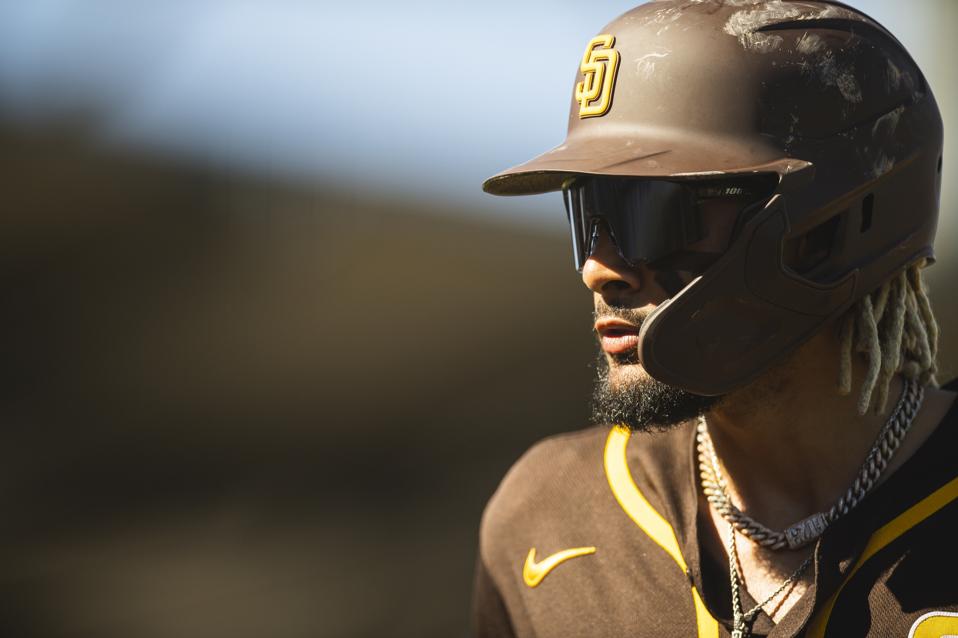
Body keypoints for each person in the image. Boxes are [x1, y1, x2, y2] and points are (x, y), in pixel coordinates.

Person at [472, 1, 956, 637]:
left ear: (831, 228)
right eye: (587, 215)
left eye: (655, 213)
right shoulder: (547, 515)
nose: (598, 269)